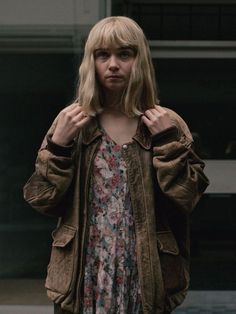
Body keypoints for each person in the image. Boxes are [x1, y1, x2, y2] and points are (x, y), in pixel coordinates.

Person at [23, 16, 209, 314]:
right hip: (83, 270)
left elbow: (187, 199)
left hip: (145, 270)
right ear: (91, 62)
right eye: (102, 54)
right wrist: (58, 145)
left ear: (140, 60)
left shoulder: (166, 122)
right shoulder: (72, 122)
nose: (113, 64)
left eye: (124, 54)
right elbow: (43, 199)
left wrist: (167, 142)